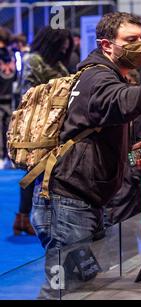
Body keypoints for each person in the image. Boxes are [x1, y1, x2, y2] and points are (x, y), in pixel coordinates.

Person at [30, 12, 141, 297]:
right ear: (107, 45)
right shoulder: (97, 77)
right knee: (62, 290)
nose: (139, 45)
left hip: (82, 202)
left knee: (82, 287)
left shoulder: (105, 75)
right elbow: (125, 102)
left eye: (140, 38)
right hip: (67, 203)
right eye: (130, 40)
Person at [13, 27, 73, 236]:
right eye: (62, 44)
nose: (65, 48)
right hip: (34, 126)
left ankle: (26, 217)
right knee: (33, 171)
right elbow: (27, 94)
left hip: (54, 125)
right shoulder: (34, 60)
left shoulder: (56, 63)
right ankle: (25, 216)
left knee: (43, 172)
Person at [103, 69, 141, 226]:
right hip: (120, 172)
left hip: (126, 173)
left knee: (120, 223)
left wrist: (134, 169)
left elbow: (139, 145)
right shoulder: (128, 104)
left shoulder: (133, 107)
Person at [0, 27, 16, 170]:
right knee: (7, 129)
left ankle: (5, 156)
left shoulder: (11, 55)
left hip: (7, 96)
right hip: (10, 96)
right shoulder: (12, 54)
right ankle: (5, 156)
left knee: (6, 130)